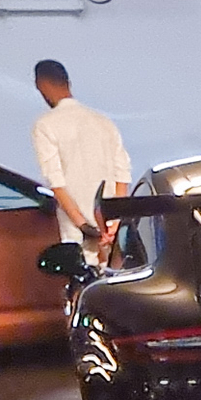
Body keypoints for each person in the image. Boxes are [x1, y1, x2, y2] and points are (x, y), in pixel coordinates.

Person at [29, 60, 133, 264]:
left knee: (84, 288)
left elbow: (56, 181)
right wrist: (115, 223)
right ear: (68, 82)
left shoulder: (45, 125)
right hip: (112, 227)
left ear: (41, 86)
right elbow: (123, 173)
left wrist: (83, 225)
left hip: (79, 232)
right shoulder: (103, 121)